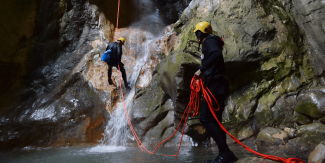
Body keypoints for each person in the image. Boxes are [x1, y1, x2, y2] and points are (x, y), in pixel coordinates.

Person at [193, 22, 238, 163]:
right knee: (216, 121)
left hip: (216, 86)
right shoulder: (213, 41)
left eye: (197, 34)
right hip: (217, 85)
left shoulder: (209, 42)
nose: (196, 37)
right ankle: (225, 155)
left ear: (200, 34)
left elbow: (217, 54)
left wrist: (201, 68)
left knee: (205, 118)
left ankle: (225, 152)